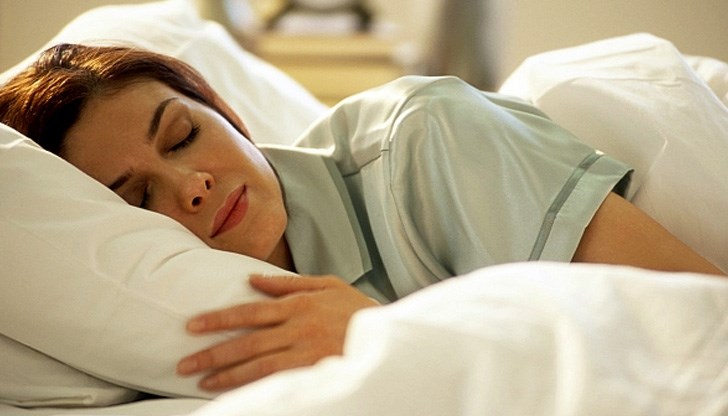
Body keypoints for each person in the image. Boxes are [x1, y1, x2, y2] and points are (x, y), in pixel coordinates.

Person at [0, 44, 723, 393]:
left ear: (226, 112)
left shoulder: (428, 139)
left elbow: (697, 315)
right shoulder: (162, 325)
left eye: (185, 135)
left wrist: (387, 335)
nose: (192, 187)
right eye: (138, 198)